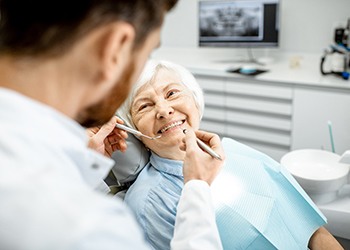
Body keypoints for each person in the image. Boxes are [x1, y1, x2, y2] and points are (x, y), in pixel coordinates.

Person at [0, 1, 225, 249]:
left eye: (172, 93)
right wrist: (196, 189)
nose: (164, 109)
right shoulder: (90, 228)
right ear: (115, 47)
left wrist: (81, 167)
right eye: (147, 54)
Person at [116, 59, 344, 250]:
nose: (164, 110)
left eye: (172, 93)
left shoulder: (238, 153)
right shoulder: (150, 204)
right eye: (144, 106)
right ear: (134, 129)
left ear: (195, 100)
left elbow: (311, 228)